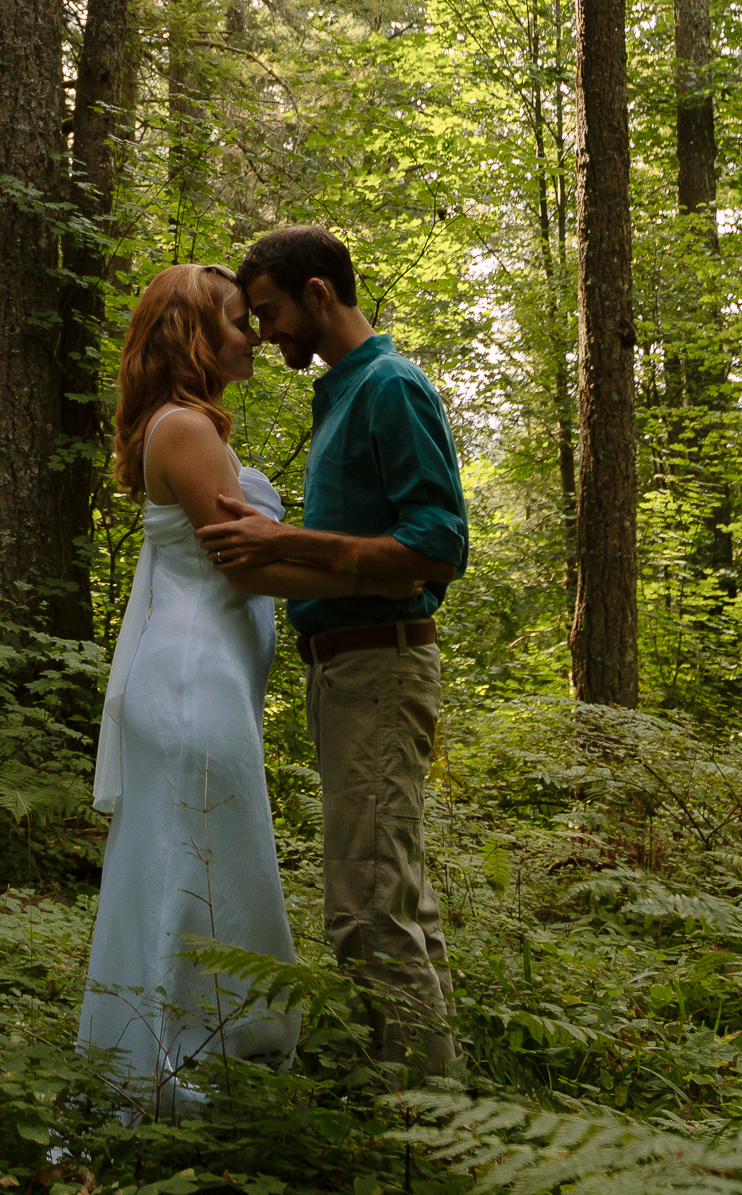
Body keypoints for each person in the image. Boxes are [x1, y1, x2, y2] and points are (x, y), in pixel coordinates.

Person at [78, 261, 427, 1118]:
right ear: (192, 332)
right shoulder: (186, 431)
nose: (256, 334)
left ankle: (191, 1064)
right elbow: (252, 559)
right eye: (238, 320)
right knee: (192, 872)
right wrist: (383, 583)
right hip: (193, 682)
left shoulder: (189, 426)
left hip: (210, 680)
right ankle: (176, 1078)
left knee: (200, 863)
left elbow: (258, 551)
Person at [197, 225, 469, 1077]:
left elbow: (438, 546)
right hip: (345, 669)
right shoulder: (342, 394)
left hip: (381, 665)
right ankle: (434, 1095)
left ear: (319, 293)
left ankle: (416, 1124)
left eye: (271, 312)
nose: (263, 331)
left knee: (367, 908)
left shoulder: (388, 386)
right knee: (394, 896)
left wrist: (298, 543)